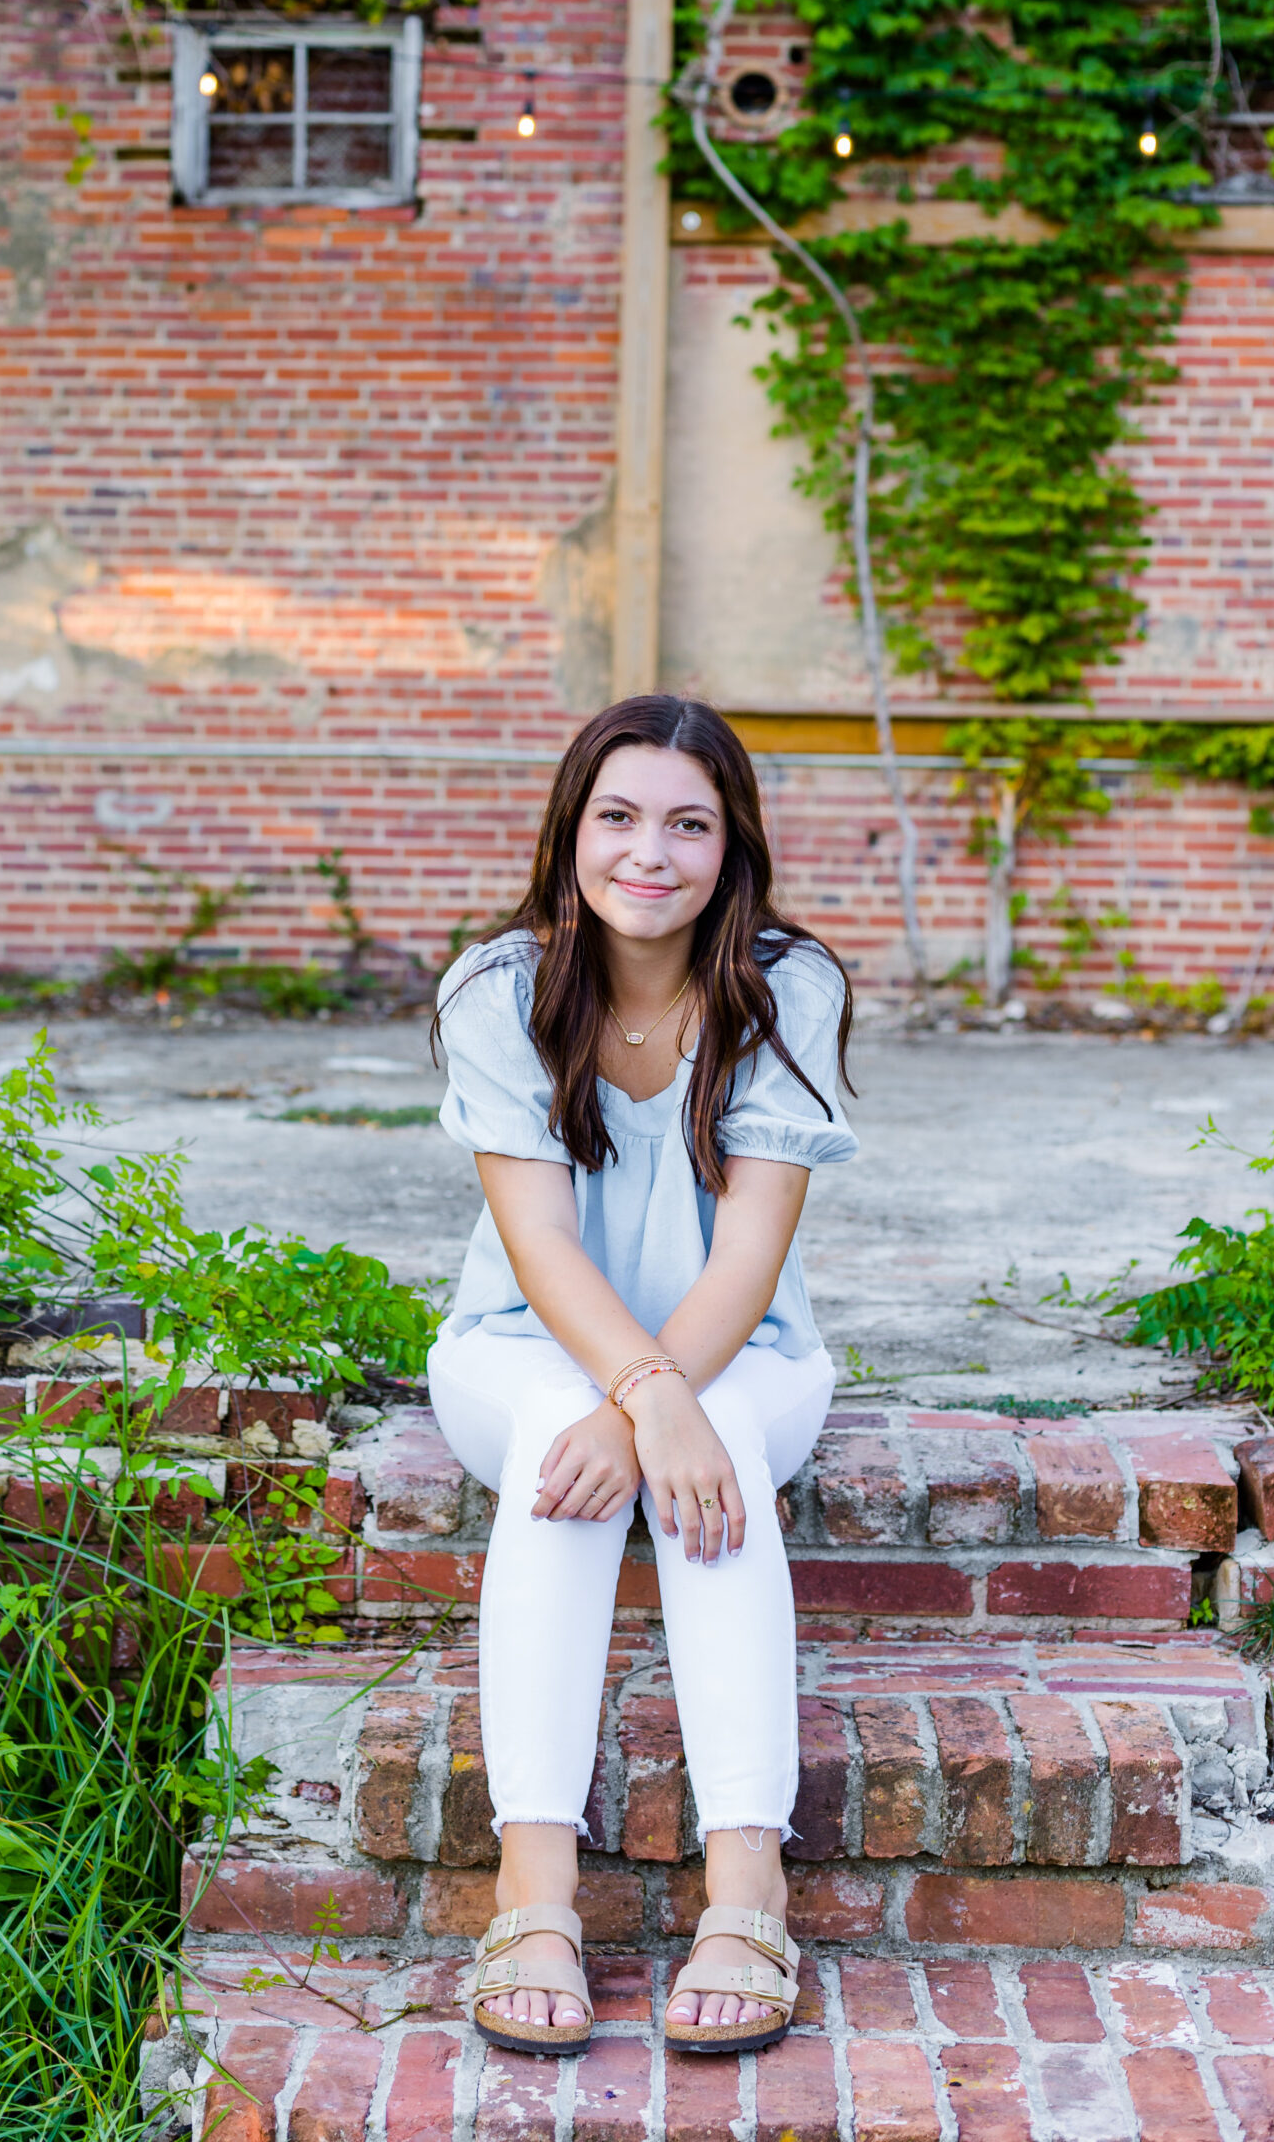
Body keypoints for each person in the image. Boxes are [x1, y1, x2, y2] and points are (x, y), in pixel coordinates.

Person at [427, 694, 856, 2061]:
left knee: (707, 1451)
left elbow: (749, 1251)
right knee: (571, 1440)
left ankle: (747, 1891)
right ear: (571, 833)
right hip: (515, 1345)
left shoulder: (792, 987)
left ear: (733, 848)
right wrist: (638, 1395)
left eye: (688, 822)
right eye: (618, 817)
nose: (649, 853)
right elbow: (539, 1240)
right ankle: (535, 1896)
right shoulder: (499, 990)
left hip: (750, 1359)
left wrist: (671, 1399)